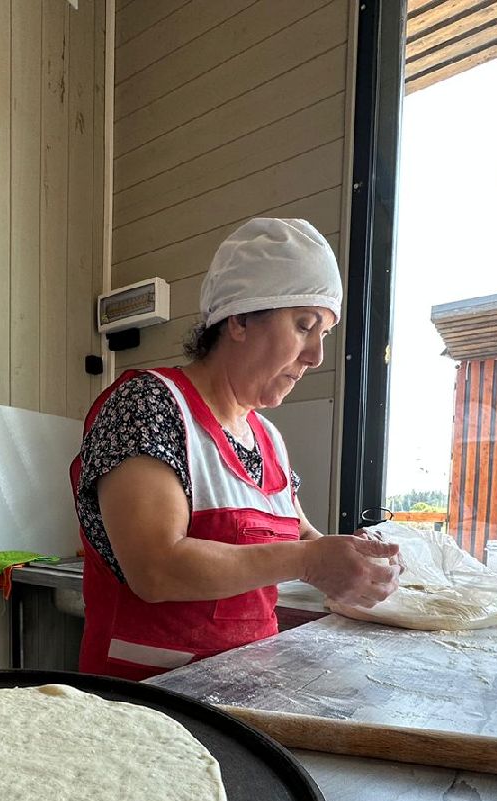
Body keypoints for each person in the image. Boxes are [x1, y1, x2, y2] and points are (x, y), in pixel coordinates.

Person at [70, 217, 401, 680]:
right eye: (304, 325)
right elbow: (156, 568)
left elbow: (302, 538)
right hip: (149, 700)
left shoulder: (266, 437)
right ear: (240, 319)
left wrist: (353, 560)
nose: (316, 356)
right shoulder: (148, 405)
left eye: (323, 334)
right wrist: (310, 563)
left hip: (248, 691)